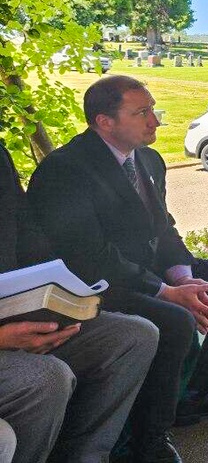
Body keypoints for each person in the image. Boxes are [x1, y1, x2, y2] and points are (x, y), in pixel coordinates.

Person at [27, 76, 208, 463]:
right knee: (175, 320)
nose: (155, 121)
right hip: (94, 283)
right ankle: (149, 440)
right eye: (142, 112)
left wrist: (183, 277)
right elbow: (88, 256)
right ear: (104, 121)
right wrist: (166, 293)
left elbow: (164, 228)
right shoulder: (66, 170)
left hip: (149, 272)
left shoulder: (148, 159)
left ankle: (194, 392)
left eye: (154, 109)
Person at [0, 141, 159, 463]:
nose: (154, 121)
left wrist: (58, 286)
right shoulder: (67, 167)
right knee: (43, 379)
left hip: (14, 307)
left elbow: (25, 229)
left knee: (134, 336)